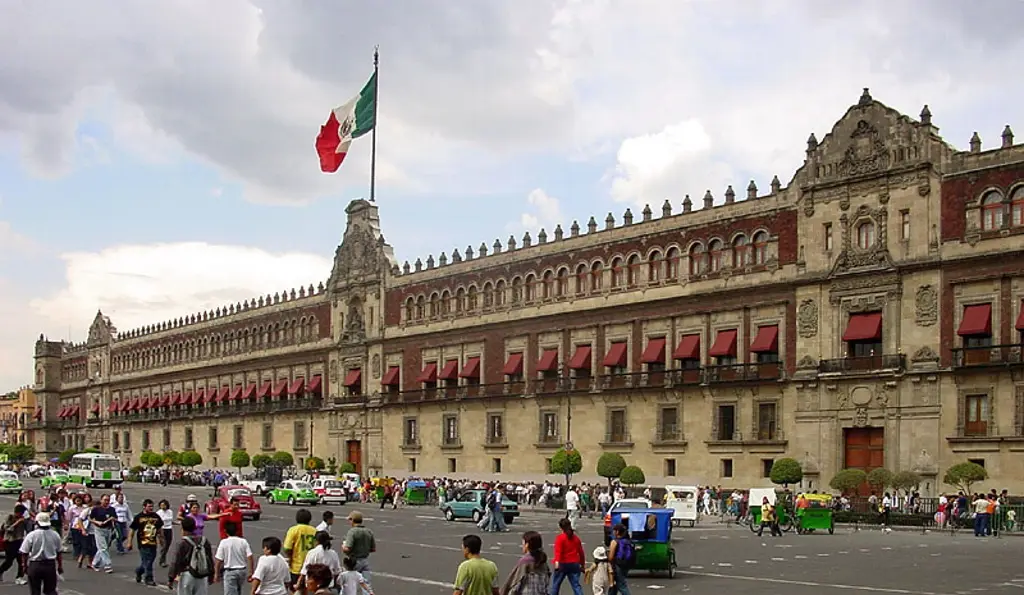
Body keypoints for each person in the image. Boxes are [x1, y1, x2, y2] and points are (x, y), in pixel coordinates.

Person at [168, 516, 214, 595]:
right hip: (202, 574)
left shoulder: (182, 543)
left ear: (182, 528)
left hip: (187, 574)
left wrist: (171, 578)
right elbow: (209, 558)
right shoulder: (204, 541)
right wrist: (211, 574)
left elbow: (175, 562)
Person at [19, 512, 62, 595]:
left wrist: (24, 565)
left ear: (37, 522)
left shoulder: (31, 535)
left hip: (35, 564)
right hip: (50, 565)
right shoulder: (55, 534)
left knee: (35, 591)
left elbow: (24, 552)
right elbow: (59, 552)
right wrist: (60, 566)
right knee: (50, 590)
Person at [124, 498, 162, 586]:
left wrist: (161, 539)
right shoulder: (139, 517)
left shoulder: (156, 516)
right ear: (144, 507)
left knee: (149, 561)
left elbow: (159, 529)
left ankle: (139, 571)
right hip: (143, 543)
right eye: (149, 506)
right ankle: (149, 578)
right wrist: (129, 542)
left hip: (153, 542)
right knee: (147, 561)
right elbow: (132, 530)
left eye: (152, 506)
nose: (151, 508)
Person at [499, 530, 549, 595]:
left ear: (527, 545)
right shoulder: (543, 560)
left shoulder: (525, 561)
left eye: (523, 543)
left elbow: (514, 582)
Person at [214, 521, 252, 595]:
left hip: (230, 571)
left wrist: (216, 573)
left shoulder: (224, 542)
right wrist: (250, 571)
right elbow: (250, 556)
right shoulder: (243, 541)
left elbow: (219, 560)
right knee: (238, 591)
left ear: (225, 531)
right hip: (242, 570)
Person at [283, 509, 318, 590]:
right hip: (311, 566)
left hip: (297, 566)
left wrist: (290, 557)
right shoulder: (314, 530)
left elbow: (287, 547)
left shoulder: (293, 530)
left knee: (295, 590)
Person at [551, 517, 585, 595]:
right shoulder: (576, 538)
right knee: (576, 585)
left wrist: (557, 562)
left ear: (561, 527)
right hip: (574, 563)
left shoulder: (560, 538)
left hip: (562, 563)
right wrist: (582, 565)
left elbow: (558, 552)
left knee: (556, 584)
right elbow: (581, 553)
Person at [341, 511, 375, 584]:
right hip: (365, 561)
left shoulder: (352, 532)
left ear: (352, 520)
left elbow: (348, 548)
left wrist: (343, 547)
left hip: (354, 561)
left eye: (350, 520)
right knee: (366, 585)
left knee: (348, 585)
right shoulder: (368, 531)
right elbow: (373, 549)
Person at [0, 504, 29, 584]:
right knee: (9, 561)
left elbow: (28, 529)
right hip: (10, 542)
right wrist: (17, 522)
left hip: (19, 542)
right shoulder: (9, 517)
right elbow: (7, 528)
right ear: (17, 512)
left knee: (21, 561)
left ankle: (19, 577)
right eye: (21, 513)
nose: (22, 514)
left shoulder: (23, 520)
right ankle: (1, 571)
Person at [89, 494, 117, 572]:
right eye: (105, 500)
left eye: (108, 500)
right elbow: (90, 519)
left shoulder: (111, 509)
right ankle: (108, 565)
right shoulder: (96, 509)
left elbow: (115, 518)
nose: (106, 502)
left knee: (103, 548)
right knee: (103, 548)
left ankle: (94, 563)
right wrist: (97, 522)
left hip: (108, 530)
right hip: (99, 529)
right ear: (101, 500)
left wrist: (112, 519)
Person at [607, 524, 632, 595]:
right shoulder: (627, 541)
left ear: (617, 532)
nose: (613, 532)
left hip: (617, 565)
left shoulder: (614, 542)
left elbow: (611, 557)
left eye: (614, 531)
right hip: (626, 565)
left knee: (621, 585)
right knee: (616, 584)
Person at [157, 499, 175, 567]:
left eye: (164, 505)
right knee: (164, 546)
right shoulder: (158, 513)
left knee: (167, 545)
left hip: (169, 529)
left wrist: (177, 523)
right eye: (161, 505)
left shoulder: (170, 511)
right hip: (162, 529)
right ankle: (162, 561)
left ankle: (163, 558)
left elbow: (170, 520)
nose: (163, 506)